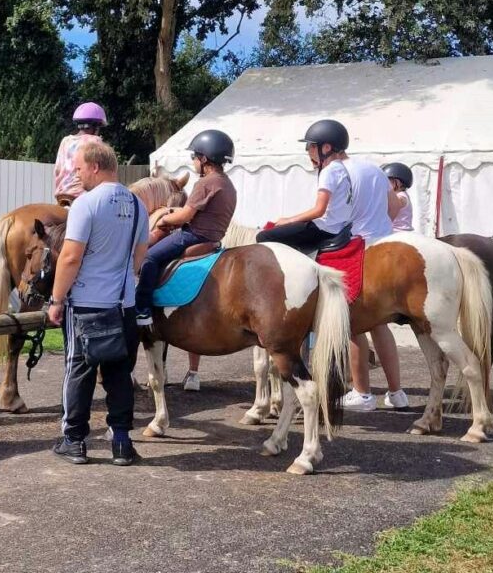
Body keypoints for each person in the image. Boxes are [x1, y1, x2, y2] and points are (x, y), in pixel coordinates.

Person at [46, 138, 149, 466]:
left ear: (94, 166)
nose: (75, 175)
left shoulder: (85, 204)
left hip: (86, 304)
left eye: (78, 169)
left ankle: (74, 441)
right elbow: (139, 258)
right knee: (120, 372)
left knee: (78, 370)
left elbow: (70, 257)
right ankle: (121, 443)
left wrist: (56, 299)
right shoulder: (138, 205)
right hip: (124, 305)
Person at [134, 131, 237, 394]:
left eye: (194, 157)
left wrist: (165, 219)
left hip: (193, 235)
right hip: (213, 238)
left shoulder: (206, 183)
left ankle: (142, 310)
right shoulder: (227, 184)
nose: (193, 161)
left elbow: (186, 216)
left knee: (149, 258)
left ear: (205, 159)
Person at [341, 155, 408, 413]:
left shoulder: (337, 172)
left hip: (359, 249)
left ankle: (362, 393)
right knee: (380, 324)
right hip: (384, 245)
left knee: (354, 323)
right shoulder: (376, 171)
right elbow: (394, 206)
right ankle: (397, 393)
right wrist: (380, 225)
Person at [255, 119, 354, 252]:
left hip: (326, 228)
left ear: (326, 148)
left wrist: (289, 220)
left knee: (263, 236)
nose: (308, 150)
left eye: (312, 146)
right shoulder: (342, 169)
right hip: (339, 227)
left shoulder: (329, 171)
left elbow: (319, 210)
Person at [52, 103, 107, 206]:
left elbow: (57, 170)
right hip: (83, 195)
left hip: (62, 195)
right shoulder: (95, 141)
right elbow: (101, 171)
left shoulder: (65, 141)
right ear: (95, 126)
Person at [383, 162, 414, 232]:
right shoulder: (402, 195)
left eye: (387, 181)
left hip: (398, 231)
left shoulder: (400, 196)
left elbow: (394, 206)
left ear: (397, 182)